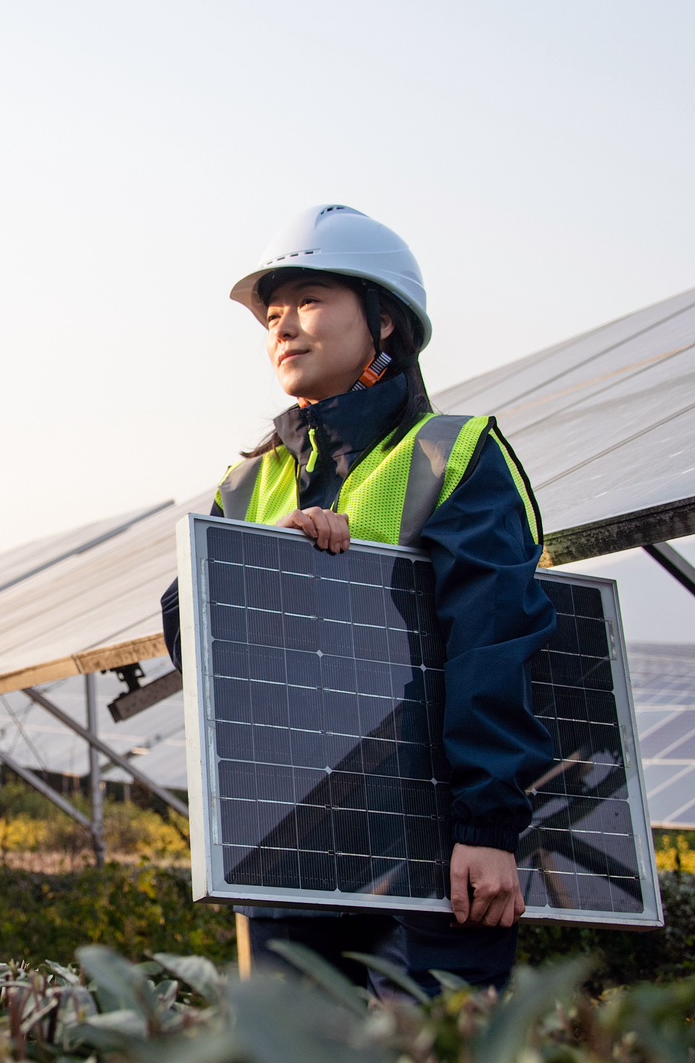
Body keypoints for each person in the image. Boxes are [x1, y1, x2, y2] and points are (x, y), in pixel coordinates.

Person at [161, 204, 555, 996]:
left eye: (308, 301)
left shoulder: (453, 453)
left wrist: (484, 829)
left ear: (384, 321)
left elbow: (492, 640)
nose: (283, 328)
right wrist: (264, 557)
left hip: (433, 852)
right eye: (272, 315)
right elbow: (190, 635)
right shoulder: (248, 483)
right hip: (292, 841)